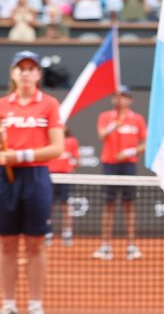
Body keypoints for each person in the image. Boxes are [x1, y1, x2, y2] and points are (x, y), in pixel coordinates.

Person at [0, 51, 65, 314]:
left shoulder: (49, 104)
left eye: (31, 68)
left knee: (36, 244)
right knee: (7, 244)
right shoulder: (2, 105)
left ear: (38, 74)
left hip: (36, 177)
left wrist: (18, 155)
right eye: (21, 68)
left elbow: (57, 148)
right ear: (13, 73)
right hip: (5, 179)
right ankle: (9, 304)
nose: (26, 73)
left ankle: (36, 304)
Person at [92, 87, 147, 261]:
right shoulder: (105, 117)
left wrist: (130, 152)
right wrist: (111, 127)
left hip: (128, 166)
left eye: (124, 97)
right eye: (117, 96)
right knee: (108, 206)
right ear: (113, 99)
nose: (120, 100)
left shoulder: (137, 119)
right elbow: (101, 135)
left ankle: (131, 246)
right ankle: (105, 246)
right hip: (110, 165)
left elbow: (145, 144)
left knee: (129, 206)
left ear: (130, 100)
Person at [46, 127, 80, 247]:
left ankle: (67, 234)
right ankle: (48, 233)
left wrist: (71, 160)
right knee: (48, 206)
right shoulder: (49, 140)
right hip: (50, 177)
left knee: (66, 206)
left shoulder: (71, 141)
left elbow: (77, 161)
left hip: (65, 177)